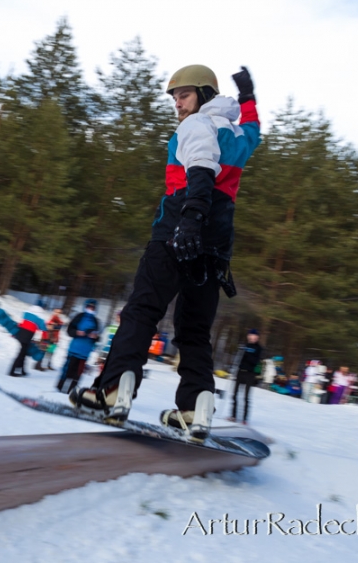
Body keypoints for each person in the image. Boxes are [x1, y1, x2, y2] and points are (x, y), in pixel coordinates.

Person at [70, 65, 261, 442]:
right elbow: (255, 131)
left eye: (184, 95)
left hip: (180, 227)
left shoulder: (195, 126)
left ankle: (112, 390)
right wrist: (248, 98)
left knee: (142, 310)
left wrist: (189, 220)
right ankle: (195, 408)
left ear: (204, 96)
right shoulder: (237, 134)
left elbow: (201, 169)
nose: (177, 103)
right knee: (194, 330)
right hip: (216, 244)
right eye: (174, 97)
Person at [56, 299, 101, 394]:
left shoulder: (96, 321)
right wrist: (77, 332)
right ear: (85, 306)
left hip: (85, 352)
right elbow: (69, 330)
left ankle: (71, 392)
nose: (91, 308)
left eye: (93, 307)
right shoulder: (79, 317)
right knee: (67, 370)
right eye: (89, 306)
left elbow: (98, 338)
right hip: (74, 349)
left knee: (78, 373)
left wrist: (95, 337)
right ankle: (59, 388)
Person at [229, 329, 262, 424]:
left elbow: (255, 361)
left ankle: (244, 419)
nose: (252, 337)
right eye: (250, 335)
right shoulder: (244, 346)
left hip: (249, 374)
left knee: (246, 397)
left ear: (257, 337)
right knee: (235, 394)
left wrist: (247, 354)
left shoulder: (258, 348)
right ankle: (233, 415)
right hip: (240, 372)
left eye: (254, 336)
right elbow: (237, 358)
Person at [7, 307, 47, 376]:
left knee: (24, 353)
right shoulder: (39, 319)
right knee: (21, 354)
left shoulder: (26, 314)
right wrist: (44, 340)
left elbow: (21, 324)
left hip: (21, 335)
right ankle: (12, 371)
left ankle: (22, 370)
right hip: (27, 338)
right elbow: (43, 329)